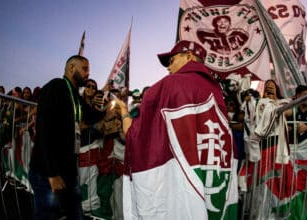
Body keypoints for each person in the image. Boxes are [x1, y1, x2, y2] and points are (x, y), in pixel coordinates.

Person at [113, 40, 238, 219]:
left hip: (178, 185)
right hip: (212, 173)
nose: (168, 67)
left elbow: (134, 135)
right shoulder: (216, 91)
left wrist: (124, 111)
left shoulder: (167, 86)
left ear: (188, 56)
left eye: (171, 60)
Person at [28, 55, 90, 219]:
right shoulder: (56, 87)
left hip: (68, 172)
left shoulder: (75, 97)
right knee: (48, 215)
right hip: (48, 173)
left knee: (75, 214)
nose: (88, 73)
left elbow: (91, 115)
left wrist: (111, 111)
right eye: (84, 68)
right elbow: (43, 131)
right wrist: (52, 174)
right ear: (71, 68)